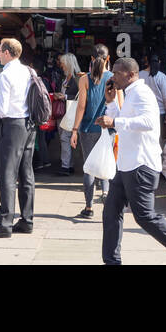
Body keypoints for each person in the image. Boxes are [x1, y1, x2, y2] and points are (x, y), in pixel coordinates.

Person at [97, 57, 166, 265]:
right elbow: (124, 123)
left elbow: (147, 122)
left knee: (145, 216)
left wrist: (115, 121)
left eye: (117, 73)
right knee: (111, 211)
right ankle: (111, 261)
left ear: (130, 74)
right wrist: (110, 104)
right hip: (127, 164)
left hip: (141, 165)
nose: (113, 77)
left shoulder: (142, 93)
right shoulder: (129, 94)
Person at [0, 37, 36, 238]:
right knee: (26, 174)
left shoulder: (5, 76)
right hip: (29, 125)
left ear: (6, 53)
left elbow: (2, 109)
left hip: (12, 126)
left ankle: (4, 223)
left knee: (7, 176)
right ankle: (27, 220)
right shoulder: (29, 71)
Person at [70, 44, 114, 218]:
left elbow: (81, 107)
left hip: (88, 128)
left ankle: (88, 208)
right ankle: (106, 198)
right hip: (108, 129)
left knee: (89, 167)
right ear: (108, 59)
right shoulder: (113, 79)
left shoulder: (84, 79)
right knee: (105, 163)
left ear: (91, 59)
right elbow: (120, 104)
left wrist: (74, 130)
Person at [57, 52, 82, 175]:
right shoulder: (65, 78)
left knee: (65, 138)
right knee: (64, 138)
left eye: (62, 63)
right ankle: (69, 165)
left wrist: (65, 96)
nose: (61, 65)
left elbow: (81, 96)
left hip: (71, 113)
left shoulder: (78, 78)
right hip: (63, 112)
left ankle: (65, 166)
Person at [145, 54, 166, 135]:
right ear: (159, 62)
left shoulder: (139, 75)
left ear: (147, 62)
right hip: (159, 113)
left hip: (143, 112)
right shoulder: (161, 77)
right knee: (157, 138)